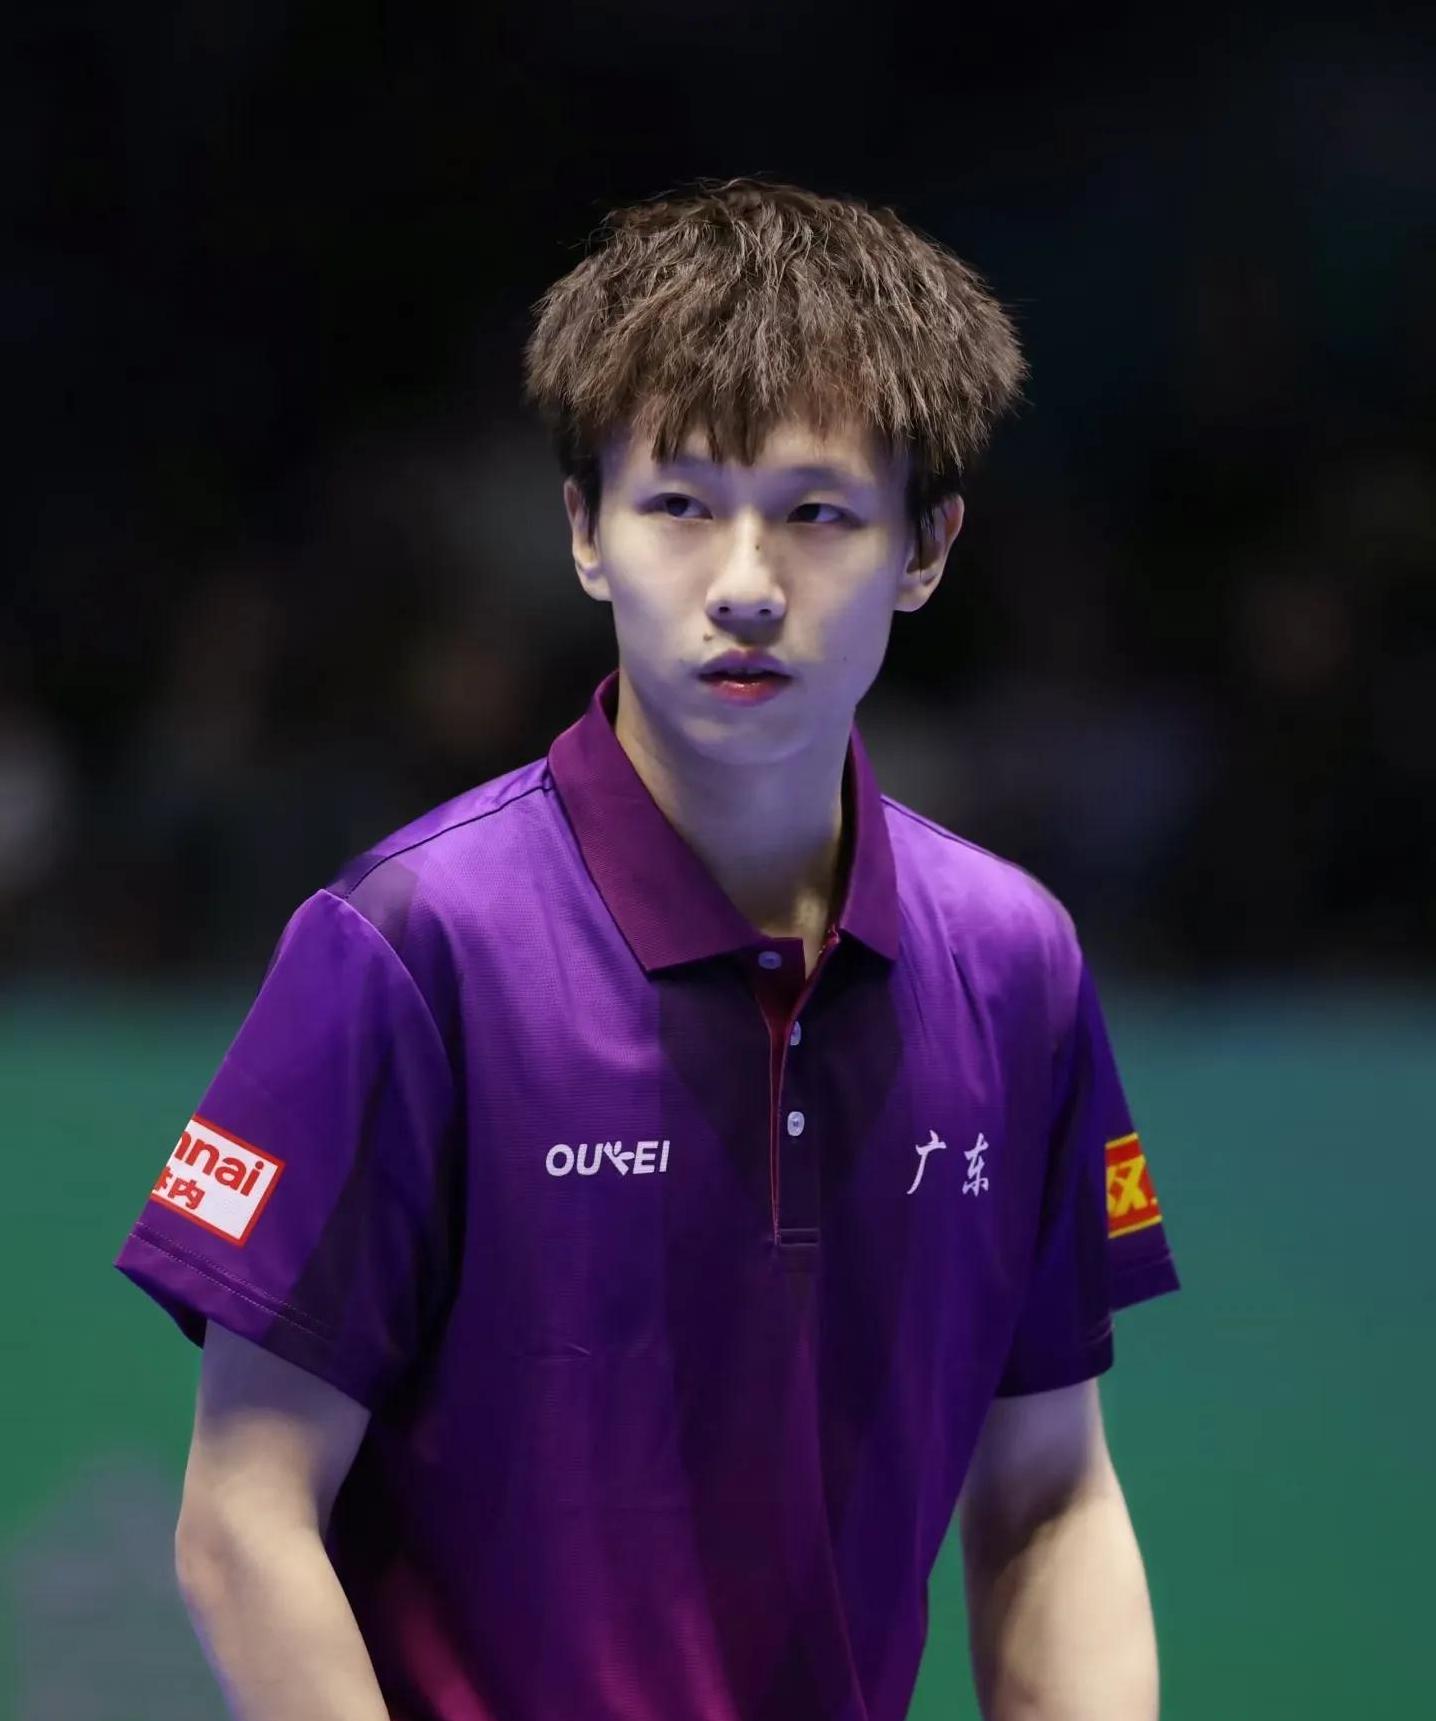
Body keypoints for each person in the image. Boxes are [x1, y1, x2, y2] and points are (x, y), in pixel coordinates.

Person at [114, 175, 1181, 1721]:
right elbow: (244, 1514)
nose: (744, 585)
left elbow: (1049, 1492)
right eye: (679, 504)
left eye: (817, 512)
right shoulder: (411, 943)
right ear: (584, 532)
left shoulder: (1016, 964)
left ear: (927, 545)